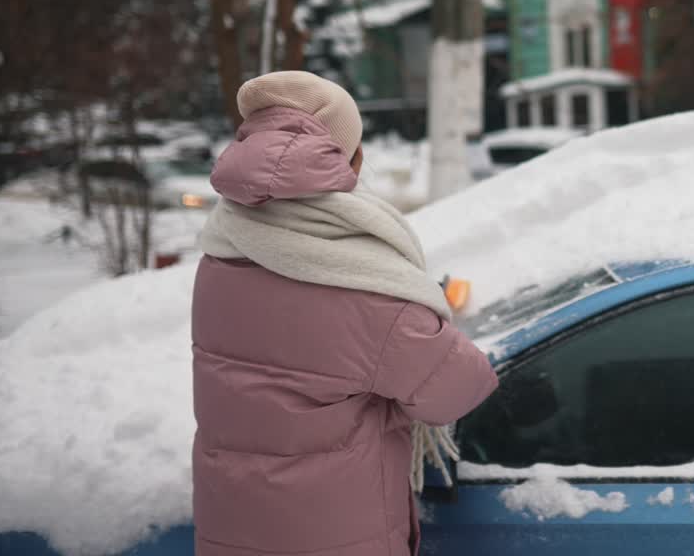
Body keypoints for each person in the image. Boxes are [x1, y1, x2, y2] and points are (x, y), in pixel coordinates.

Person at [192, 71, 498, 556]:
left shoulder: (222, 253)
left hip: (232, 532)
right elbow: (460, 386)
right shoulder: (360, 284)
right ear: (344, 157)